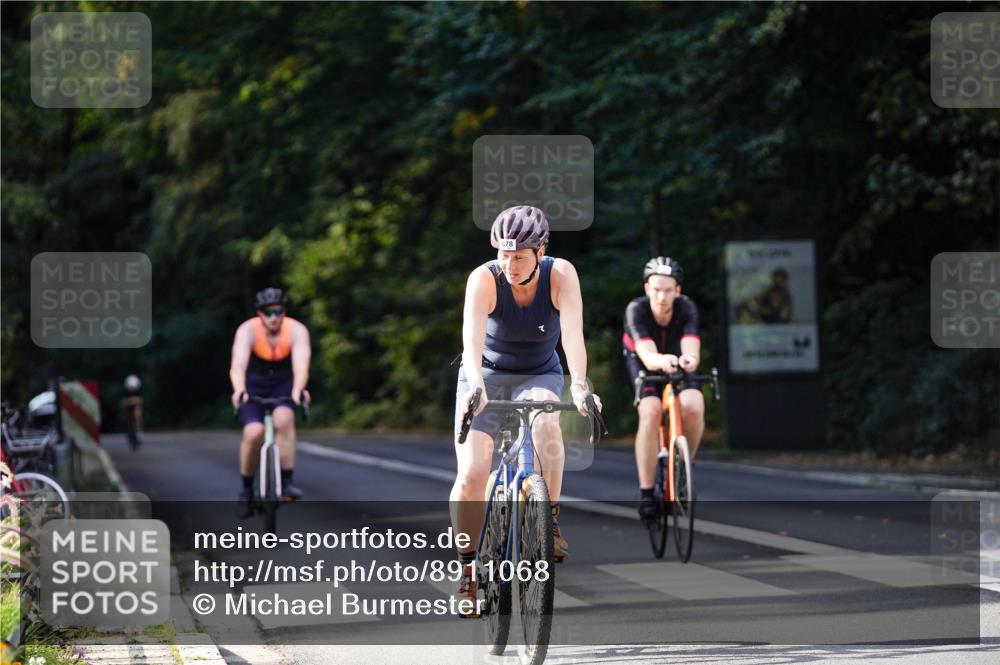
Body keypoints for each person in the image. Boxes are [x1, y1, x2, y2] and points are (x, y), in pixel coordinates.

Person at [451, 205, 602, 617]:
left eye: (519, 257)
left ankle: (548, 519)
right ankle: (467, 569)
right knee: (472, 473)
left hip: (539, 372)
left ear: (540, 252)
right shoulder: (483, 279)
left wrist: (580, 385)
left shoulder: (561, 274)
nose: (510, 265)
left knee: (547, 427)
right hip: (485, 374)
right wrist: (476, 387)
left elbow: (573, 336)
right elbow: (471, 343)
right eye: (504, 255)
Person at [622, 257, 705, 523]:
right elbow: (647, 356)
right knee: (651, 411)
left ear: (677, 291)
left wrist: (689, 360)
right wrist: (661, 361)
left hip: (677, 361)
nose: (661, 297)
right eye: (656, 289)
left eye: (668, 290)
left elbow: (691, 349)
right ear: (647, 288)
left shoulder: (687, 307)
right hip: (644, 361)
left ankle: (684, 468)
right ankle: (647, 492)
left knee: (694, 405)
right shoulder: (636, 309)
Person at [229, 287, 311, 516]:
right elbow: (238, 364)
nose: (274, 317)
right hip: (253, 385)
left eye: (278, 311)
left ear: (284, 312)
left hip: (283, 384)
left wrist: (298, 389)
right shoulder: (247, 330)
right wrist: (239, 389)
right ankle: (246, 490)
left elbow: (301, 364)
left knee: (284, 419)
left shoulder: (296, 330)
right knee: (253, 433)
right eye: (268, 312)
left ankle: (287, 481)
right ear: (260, 314)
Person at [121, 374, 144, 450]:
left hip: (135, 409)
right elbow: (123, 403)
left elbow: (140, 401)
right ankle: (131, 434)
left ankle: (138, 431)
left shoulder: (138, 391)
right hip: (128, 410)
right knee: (126, 418)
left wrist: (132, 401)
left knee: (138, 413)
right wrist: (131, 401)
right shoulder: (125, 392)